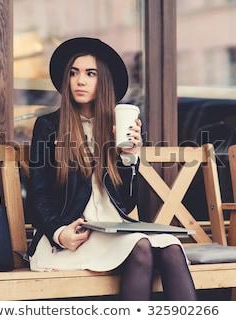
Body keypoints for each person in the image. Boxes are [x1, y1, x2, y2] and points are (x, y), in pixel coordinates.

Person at [25, 37, 197, 301]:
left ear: (103, 81)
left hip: (113, 232)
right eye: (74, 73)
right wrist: (61, 234)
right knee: (140, 247)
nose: (80, 81)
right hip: (69, 238)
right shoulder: (48, 127)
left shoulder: (117, 129)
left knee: (172, 247)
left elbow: (126, 205)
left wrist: (129, 158)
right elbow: (38, 195)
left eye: (90, 74)